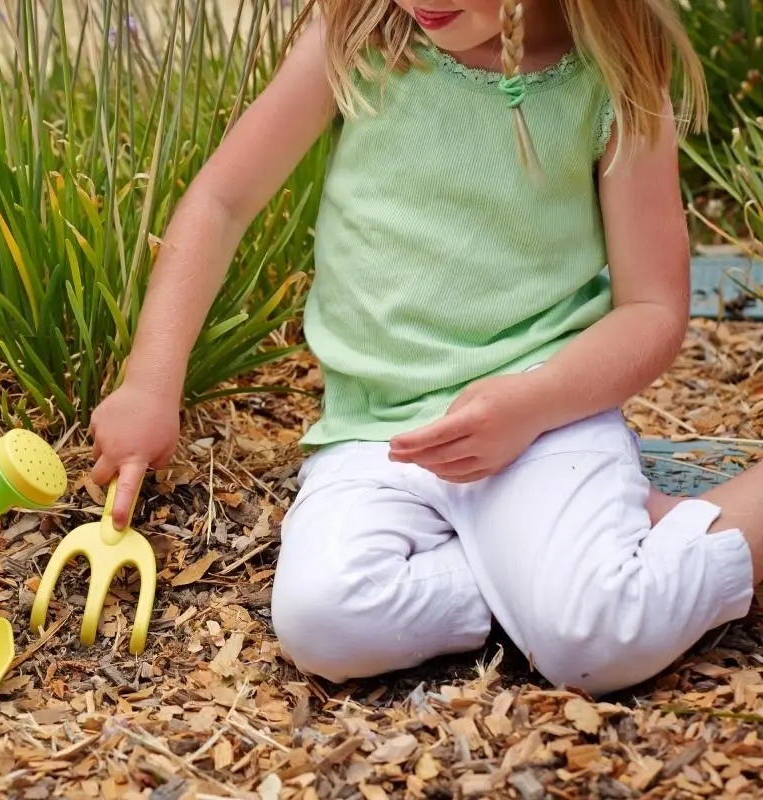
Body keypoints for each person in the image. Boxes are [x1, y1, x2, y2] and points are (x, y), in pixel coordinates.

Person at [86, 0, 763, 696]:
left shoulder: (609, 78)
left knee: (595, 646)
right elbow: (222, 201)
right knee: (323, 620)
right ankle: (553, 572)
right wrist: (150, 384)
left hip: (542, 415)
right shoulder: (360, 37)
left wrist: (535, 402)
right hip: (378, 432)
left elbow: (652, 308)